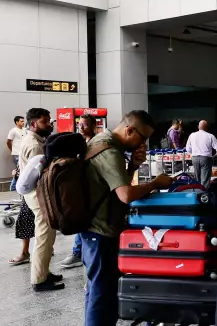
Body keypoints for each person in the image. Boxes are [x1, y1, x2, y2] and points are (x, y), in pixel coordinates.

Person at [82, 110, 174, 326]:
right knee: (102, 293)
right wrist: (155, 184)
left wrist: (133, 166)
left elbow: (110, 186)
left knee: (97, 289)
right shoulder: (109, 151)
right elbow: (125, 195)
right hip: (100, 231)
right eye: (142, 138)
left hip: (95, 228)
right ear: (129, 129)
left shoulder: (102, 142)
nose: (143, 143)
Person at [19, 108, 64, 291]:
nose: (49, 124)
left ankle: (43, 271)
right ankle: (39, 280)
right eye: (45, 121)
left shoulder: (36, 140)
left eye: (49, 121)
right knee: (44, 237)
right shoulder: (35, 145)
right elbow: (42, 175)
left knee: (46, 236)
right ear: (33, 124)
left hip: (36, 193)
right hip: (38, 195)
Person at [58, 114, 97, 270]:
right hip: (80, 189)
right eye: (79, 124)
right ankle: (78, 252)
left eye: (85, 125)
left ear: (94, 126)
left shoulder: (96, 144)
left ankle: (78, 253)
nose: (81, 127)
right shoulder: (78, 143)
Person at [185, 120, 217, 187]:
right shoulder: (210, 136)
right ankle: (204, 195)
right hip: (206, 159)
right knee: (205, 180)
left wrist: (193, 153)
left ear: (198, 127)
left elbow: (188, 149)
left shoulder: (192, 135)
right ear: (206, 128)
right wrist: (215, 156)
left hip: (195, 158)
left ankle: (197, 193)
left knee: (197, 178)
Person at [6, 116, 27, 191]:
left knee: (22, 169)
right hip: (16, 154)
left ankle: (17, 186)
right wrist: (12, 150)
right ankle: (14, 185)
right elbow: (8, 142)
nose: (23, 122)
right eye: (21, 121)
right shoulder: (13, 131)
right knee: (20, 169)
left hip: (24, 153)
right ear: (16, 122)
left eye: (23, 121)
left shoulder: (25, 130)